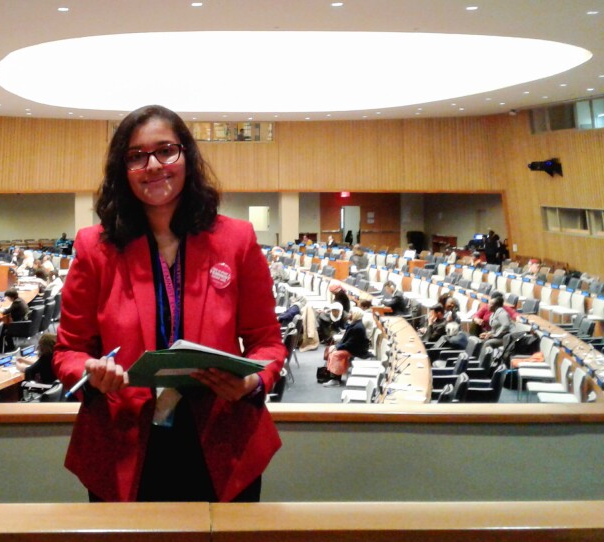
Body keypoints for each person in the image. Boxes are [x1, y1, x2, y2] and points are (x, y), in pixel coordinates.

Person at [53, 104, 285, 503]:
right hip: (125, 446)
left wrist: (252, 382)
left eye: (166, 150)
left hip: (221, 442)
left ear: (187, 157)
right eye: (137, 156)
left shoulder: (237, 240)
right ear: (122, 169)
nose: (154, 165)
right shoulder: (94, 248)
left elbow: (268, 342)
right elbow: (68, 350)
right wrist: (90, 372)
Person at [318, 308, 369, 387]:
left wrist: (338, 347)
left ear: (355, 315)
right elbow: (347, 340)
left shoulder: (357, 327)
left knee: (336, 354)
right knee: (331, 350)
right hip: (353, 348)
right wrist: (336, 346)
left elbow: (350, 343)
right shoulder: (355, 324)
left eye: (350, 313)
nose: (348, 315)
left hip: (357, 350)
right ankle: (334, 376)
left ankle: (335, 380)